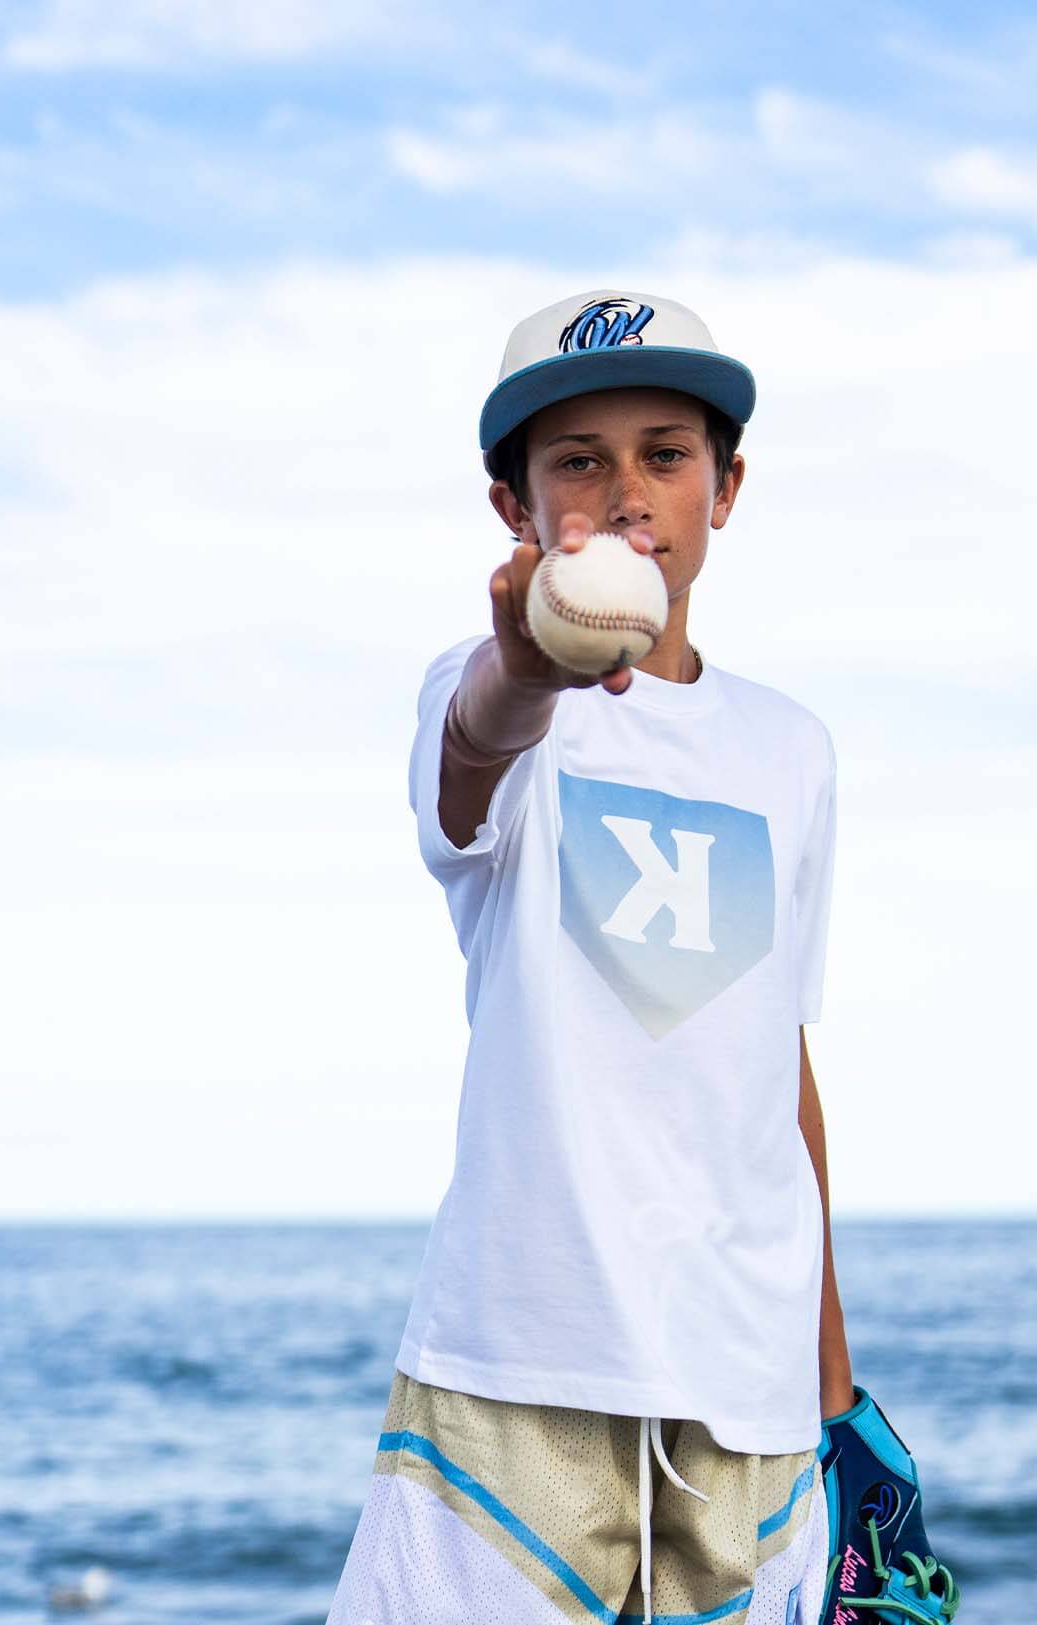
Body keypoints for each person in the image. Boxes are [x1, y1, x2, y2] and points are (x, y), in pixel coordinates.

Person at [326, 290, 960, 1624]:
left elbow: (778, 1072)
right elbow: (471, 754)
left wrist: (838, 1397)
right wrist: (522, 665)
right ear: (514, 506)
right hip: (520, 1360)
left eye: (664, 453)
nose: (624, 492)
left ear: (726, 489)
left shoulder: (792, 749)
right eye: (578, 459)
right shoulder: (487, 687)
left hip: (751, 1384)